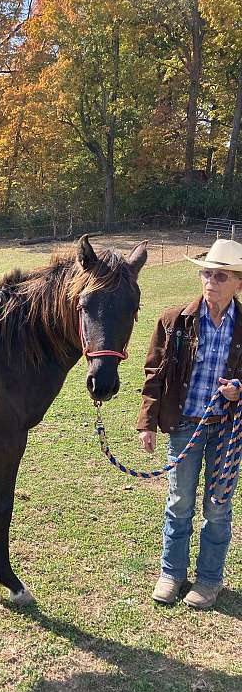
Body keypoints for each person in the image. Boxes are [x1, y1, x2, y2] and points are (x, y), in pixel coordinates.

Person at [137, 239, 242, 609]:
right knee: (179, 502)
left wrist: (238, 389)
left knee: (218, 506)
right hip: (184, 426)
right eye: (207, 273)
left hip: (227, 430)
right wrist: (148, 423)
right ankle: (172, 574)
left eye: (221, 275)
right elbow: (154, 374)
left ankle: (209, 581)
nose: (211, 281)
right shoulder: (174, 320)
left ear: (238, 283)